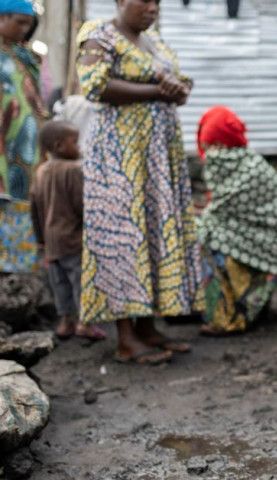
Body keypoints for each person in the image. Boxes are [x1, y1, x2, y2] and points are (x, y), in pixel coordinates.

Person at [76, 0, 203, 364]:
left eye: (157, 1)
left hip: (158, 159)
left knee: (150, 233)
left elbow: (176, 80)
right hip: (120, 158)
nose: (152, 7)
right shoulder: (99, 35)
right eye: (144, 0)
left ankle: (147, 327)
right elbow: (94, 86)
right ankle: (126, 339)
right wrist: (159, 91)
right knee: (122, 236)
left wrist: (179, 89)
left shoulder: (156, 41)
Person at [196, 106, 277, 335]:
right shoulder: (240, 165)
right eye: (208, 147)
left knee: (205, 239)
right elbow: (222, 213)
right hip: (254, 235)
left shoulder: (249, 169)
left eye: (218, 146)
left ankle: (227, 318)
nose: (213, 154)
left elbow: (219, 215)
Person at [30, 121, 105, 340]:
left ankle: (65, 322)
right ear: (59, 146)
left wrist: (40, 239)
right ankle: (85, 323)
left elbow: (34, 207)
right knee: (81, 282)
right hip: (74, 240)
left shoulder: (41, 171)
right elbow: (82, 206)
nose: (79, 147)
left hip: (52, 242)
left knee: (59, 284)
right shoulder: (73, 171)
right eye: (74, 142)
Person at [0, 0, 49, 201]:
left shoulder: (26, 56)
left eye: (28, 24)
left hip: (26, 142)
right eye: (20, 22)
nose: (25, 29)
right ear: (2, 18)